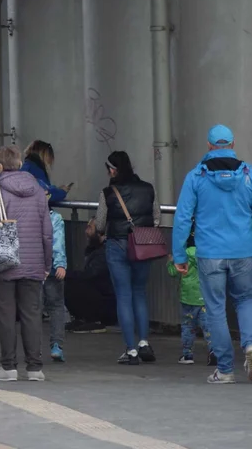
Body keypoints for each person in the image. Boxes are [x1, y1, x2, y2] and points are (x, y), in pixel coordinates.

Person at [172, 124, 252, 384]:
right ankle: (250, 345)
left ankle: (226, 370)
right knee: (245, 300)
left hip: (209, 254)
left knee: (216, 309)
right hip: (243, 251)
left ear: (208, 146)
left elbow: (183, 218)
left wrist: (180, 255)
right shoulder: (248, 174)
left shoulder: (197, 176)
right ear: (232, 144)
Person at [0, 145, 51, 382]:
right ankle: (35, 368)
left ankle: (9, 368)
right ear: (19, 163)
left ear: (0, 165)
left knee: (6, 314)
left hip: (5, 260)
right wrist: (46, 262)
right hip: (34, 261)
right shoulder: (38, 190)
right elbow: (47, 232)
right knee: (32, 314)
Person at [94, 150, 161, 366]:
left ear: (113, 170)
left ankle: (130, 350)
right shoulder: (148, 188)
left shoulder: (107, 193)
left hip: (117, 245)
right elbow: (157, 218)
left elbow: (100, 224)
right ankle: (143, 342)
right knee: (139, 293)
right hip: (143, 245)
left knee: (123, 295)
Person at [167, 231, 217, 366]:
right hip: (204, 297)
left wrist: (170, 262)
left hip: (188, 298)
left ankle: (187, 355)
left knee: (188, 327)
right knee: (208, 327)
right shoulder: (206, 253)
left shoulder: (183, 255)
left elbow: (173, 273)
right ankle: (213, 352)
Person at [64, 221, 118, 332]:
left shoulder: (104, 252)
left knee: (71, 283)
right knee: (71, 282)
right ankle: (84, 318)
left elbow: (90, 275)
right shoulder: (97, 250)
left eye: (90, 228)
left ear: (100, 233)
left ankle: (93, 320)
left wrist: (67, 274)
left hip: (107, 302)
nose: (86, 232)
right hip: (103, 297)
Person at [45, 200, 68, 362]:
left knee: (31, 309)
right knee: (56, 307)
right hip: (52, 269)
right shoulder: (55, 218)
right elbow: (58, 242)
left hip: (32, 269)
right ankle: (56, 346)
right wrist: (60, 264)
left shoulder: (24, 215)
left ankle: (32, 348)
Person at [22, 140, 72, 204]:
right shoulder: (36, 170)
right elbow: (46, 195)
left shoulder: (25, 168)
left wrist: (57, 190)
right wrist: (62, 192)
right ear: (44, 155)